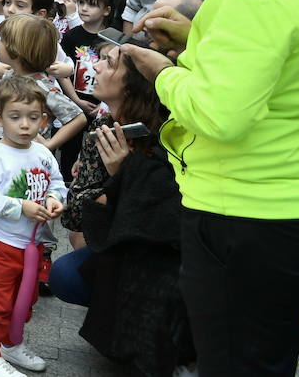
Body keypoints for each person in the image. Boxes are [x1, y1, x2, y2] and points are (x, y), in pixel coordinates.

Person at [123, 0, 299, 377]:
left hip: (250, 209)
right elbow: (291, 62)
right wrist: (201, 39)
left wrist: (162, 73)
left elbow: (220, 113)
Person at [49, 43, 192, 376]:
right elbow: (75, 216)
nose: (96, 67)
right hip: (119, 248)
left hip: (164, 263)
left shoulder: (169, 135)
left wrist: (125, 175)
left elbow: (166, 225)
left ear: (133, 85)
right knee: (68, 272)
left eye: (109, 64)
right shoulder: (102, 127)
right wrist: (107, 184)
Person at [0, 75, 68, 377]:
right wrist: (19, 207)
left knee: (24, 301)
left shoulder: (43, 153)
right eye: (15, 117)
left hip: (33, 246)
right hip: (0, 244)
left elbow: (57, 183)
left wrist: (54, 198)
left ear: (44, 119)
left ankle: (11, 344)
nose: (24, 125)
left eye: (32, 117)